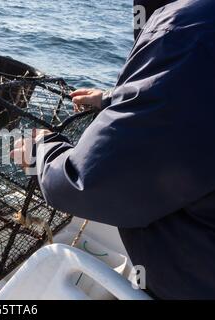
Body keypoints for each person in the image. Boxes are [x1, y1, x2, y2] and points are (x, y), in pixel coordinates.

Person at [12, 0, 215, 299]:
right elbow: (192, 103)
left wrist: (41, 152)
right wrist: (115, 98)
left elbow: (88, 183)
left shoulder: (191, 26)